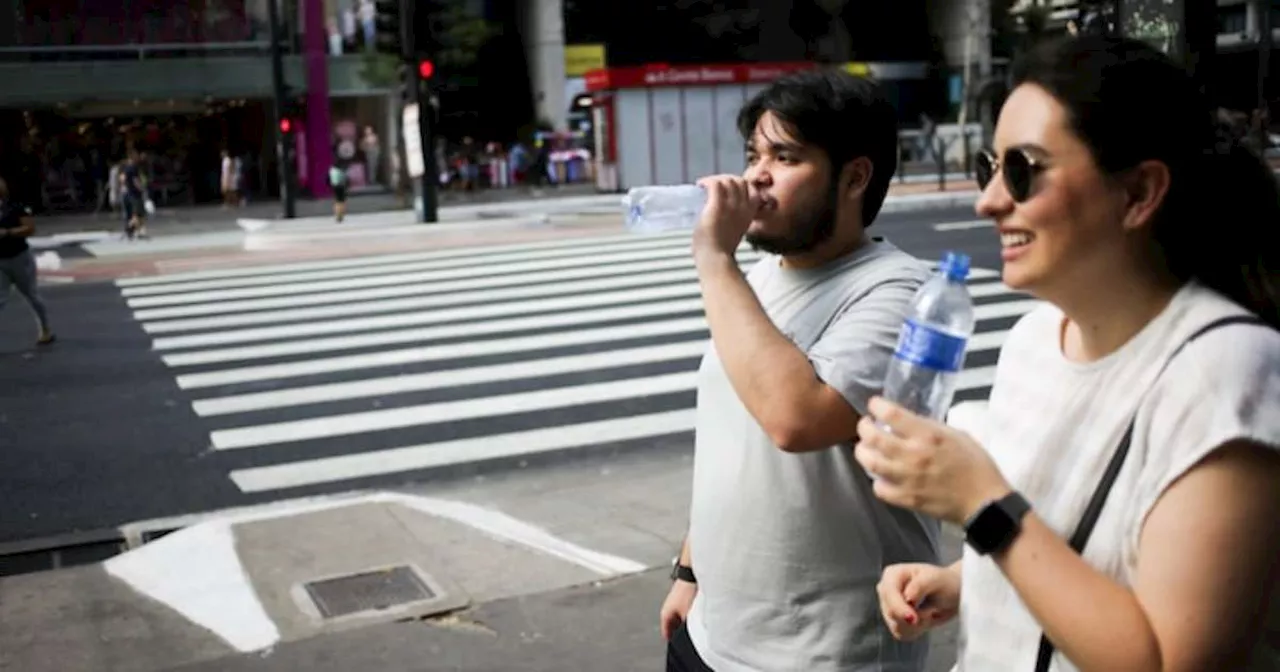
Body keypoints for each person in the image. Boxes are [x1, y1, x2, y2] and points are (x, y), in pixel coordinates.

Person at [857, 36, 1280, 671]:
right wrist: (969, 579)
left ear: (1139, 193)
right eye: (986, 168)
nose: (990, 201)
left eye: (1023, 170)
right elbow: (1073, 551)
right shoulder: (1032, 340)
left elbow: (1169, 658)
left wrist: (980, 504)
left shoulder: (1224, 372)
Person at [660, 69, 940, 672]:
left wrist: (713, 259)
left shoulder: (902, 292)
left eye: (784, 156)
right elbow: (731, 438)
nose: (756, 174)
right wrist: (689, 569)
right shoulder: (759, 277)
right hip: (710, 633)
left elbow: (796, 419)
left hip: (826, 654)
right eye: (753, 154)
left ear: (855, 177)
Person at [0, 177, 55, 346]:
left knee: (31, 295)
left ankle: (45, 329)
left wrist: (8, 232)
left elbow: (30, 228)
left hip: (19, 257)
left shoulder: (15, 207)